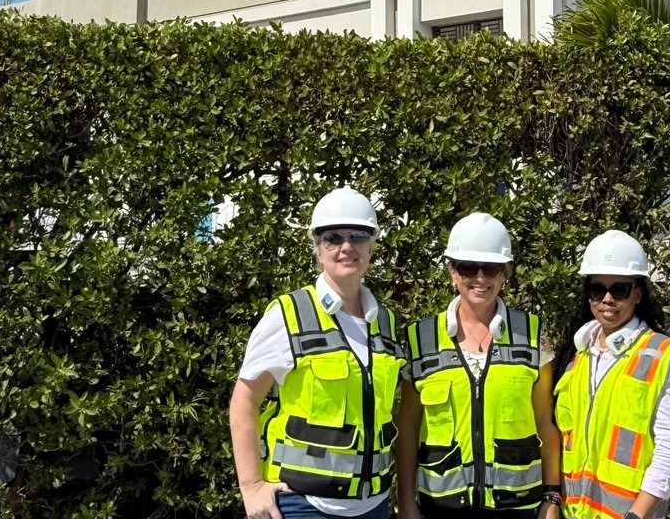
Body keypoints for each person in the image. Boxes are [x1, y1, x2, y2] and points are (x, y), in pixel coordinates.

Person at [229, 187, 405, 519]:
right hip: (303, 504)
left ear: (371, 247)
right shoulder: (289, 315)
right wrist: (251, 487)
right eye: (333, 238)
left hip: (374, 504)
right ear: (318, 250)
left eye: (358, 236)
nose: (346, 246)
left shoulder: (385, 322)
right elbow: (245, 400)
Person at [396, 212, 561, 519]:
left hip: (518, 509)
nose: (481, 278)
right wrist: (406, 501)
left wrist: (552, 497)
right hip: (441, 509)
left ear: (504, 273)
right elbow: (407, 427)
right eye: (468, 267)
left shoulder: (533, 336)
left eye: (492, 267)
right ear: (452, 272)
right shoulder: (421, 340)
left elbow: (545, 424)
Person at [551, 231, 670, 519]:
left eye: (619, 290)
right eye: (597, 290)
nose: (607, 299)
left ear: (637, 294)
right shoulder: (578, 356)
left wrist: (636, 515)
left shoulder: (663, 356)